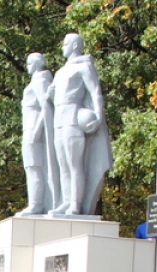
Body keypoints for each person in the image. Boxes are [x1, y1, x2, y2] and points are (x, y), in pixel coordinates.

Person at [48, 33, 112, 217]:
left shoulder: (84, 66)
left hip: (73, 117)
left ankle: (75, 203)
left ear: (75, 45)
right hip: (58, 118)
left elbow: (95, 92)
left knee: (74, 163)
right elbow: (52, 96)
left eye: (65, 44)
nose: (62, 48)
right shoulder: (60, 72)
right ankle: (66, 201)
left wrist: (98, 115)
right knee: (63, 164)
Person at [17, 52, 58, 216]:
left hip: (33, 129)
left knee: (34, 168)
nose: (27, 67)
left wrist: (37, 129)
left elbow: (46, 105)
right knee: (31, 167)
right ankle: (34, 203)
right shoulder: (37, 81)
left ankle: (36, 204)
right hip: (29, 127)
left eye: (28, 63)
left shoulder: (40, 80)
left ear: (35, 63)